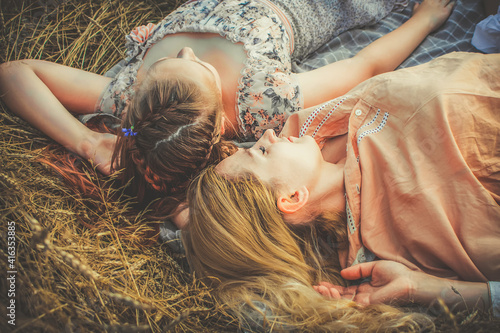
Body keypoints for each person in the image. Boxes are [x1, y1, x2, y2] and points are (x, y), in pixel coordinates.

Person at [0, 0, 455, 223]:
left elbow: (13, 73)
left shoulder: (129, 98)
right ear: (223, 122)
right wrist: (425, 20)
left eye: (170, 60)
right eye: (191, 66)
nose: (184, 52)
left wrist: (90, 140)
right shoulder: (260, 102)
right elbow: (364, 65)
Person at [182, 52, 500, 331]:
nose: (266, 135)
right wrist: (420, 287)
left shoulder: (307, 130)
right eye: (262, 152)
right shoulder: (403, 230)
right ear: (292, 198)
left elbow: (228, 223)